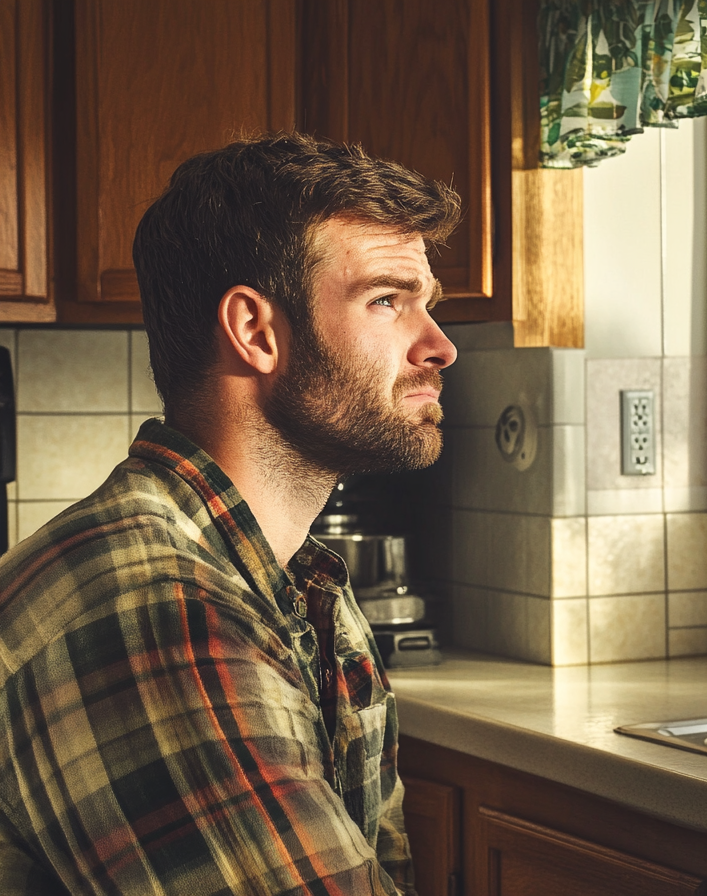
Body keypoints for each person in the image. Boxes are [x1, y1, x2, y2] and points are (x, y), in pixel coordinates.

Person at [0, 133, 459, 895]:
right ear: (255, 332)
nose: (440, 345)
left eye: (428, 305)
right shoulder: (157, 609)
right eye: (387, 299)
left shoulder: (294, 581)